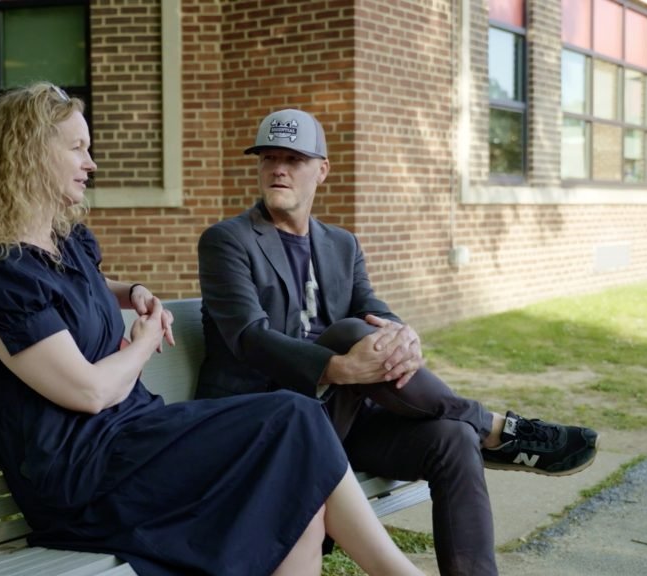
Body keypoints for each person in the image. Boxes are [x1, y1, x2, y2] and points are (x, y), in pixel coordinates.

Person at [0, 83, 425, 576]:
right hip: (82, 474)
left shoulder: (64, 246)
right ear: (28, 156)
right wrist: (144, 343)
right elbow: (89, 392)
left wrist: (131, 291)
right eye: (77, 148)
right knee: (292, 419)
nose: (91, 163)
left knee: (293, 472)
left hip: (134, 437)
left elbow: (75, 288)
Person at [196, 108, 601, 576]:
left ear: (322, 170)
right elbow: (249, 338)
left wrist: (404, 335)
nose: (278, 169)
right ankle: (493, 427)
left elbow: (376, 310)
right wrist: (338, 368)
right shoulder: (227, 241)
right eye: (268, 158)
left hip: (340, 419)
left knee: (452, 438)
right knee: (349, 335)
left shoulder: (341, 244)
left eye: (293, 159)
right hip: (266, 419)